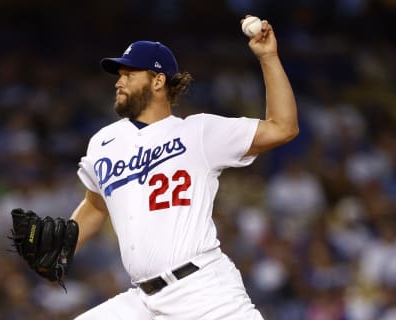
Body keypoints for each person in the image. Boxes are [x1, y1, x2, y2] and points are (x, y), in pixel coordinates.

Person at [72, 16, 298, 319]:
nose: (118, 81)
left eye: (129, 73)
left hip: (203, 292)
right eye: (119, 74)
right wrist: (60, 252)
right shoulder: (105, 141)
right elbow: (95, 205)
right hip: (142, 300)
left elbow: (283, 127)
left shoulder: (198, 133)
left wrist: (268, 57)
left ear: (158, 80)